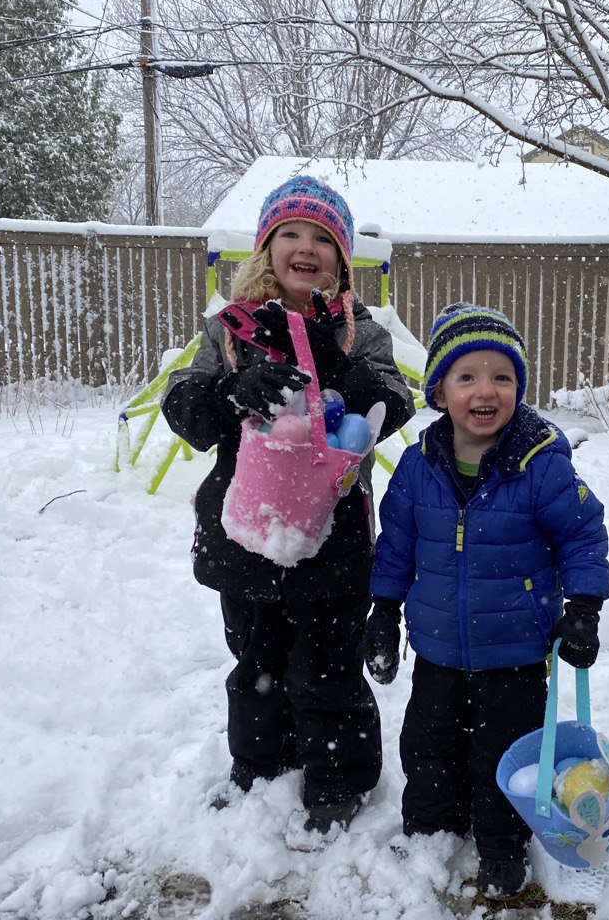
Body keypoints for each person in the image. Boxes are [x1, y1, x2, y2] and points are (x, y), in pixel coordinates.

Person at [162, 175, 414, 834]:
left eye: (322, 239)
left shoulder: (362, 331)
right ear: (266, 247)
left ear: (341, 256)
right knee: (256, 664)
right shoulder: (232, 329)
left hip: (334, 538)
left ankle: (339, 777)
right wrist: (234, 390)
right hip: (244, 535)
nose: (306, 249)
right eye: (290, 234)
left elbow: (394, 405)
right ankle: (260, 765)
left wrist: (337, 366)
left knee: (329, 666)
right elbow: (185, 412)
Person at [365, 303, 609, 897]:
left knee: (505, 754)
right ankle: (430, 829)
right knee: (428, 744)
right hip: (438, 648)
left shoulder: (540, 466)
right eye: (466, 376)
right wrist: (382, 612)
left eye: (502, 377)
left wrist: (582, 608)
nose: (485, 391)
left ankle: (503, 844)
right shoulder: (418, 468)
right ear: (440, 389)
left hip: (517, 651)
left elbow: (583, 534)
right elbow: (395, 546)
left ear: (519, 389)